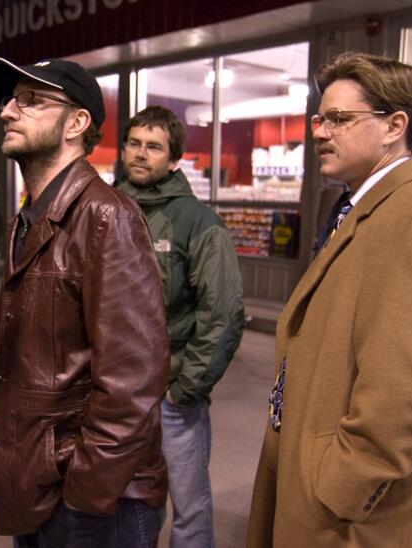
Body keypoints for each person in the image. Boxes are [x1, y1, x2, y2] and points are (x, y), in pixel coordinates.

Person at [247, 52, 412, 547]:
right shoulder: (368, 208)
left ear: (395, 125)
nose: (319, 132)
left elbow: (403, 399)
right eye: (319, 118)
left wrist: (336, 491)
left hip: (358, 523)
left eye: (339, 119)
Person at [0, 57, 170, 547]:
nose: (8, 112)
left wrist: (83, 495)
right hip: (42, 487)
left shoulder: (107, 218)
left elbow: (132, 386)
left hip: (98, 502)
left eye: (30, 100)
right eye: (9, 99)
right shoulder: (29, 218)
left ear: (78, 122)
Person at [116, 106, 245, 548]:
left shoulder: (198, 222)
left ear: (173, 160)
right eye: (134, 143)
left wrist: (185, 388)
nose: (140, 154)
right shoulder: (106, 210)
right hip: (113, 395)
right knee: (120, 502)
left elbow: (223, 312)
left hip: (172, 399)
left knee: (188, 509)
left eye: (153, 147)